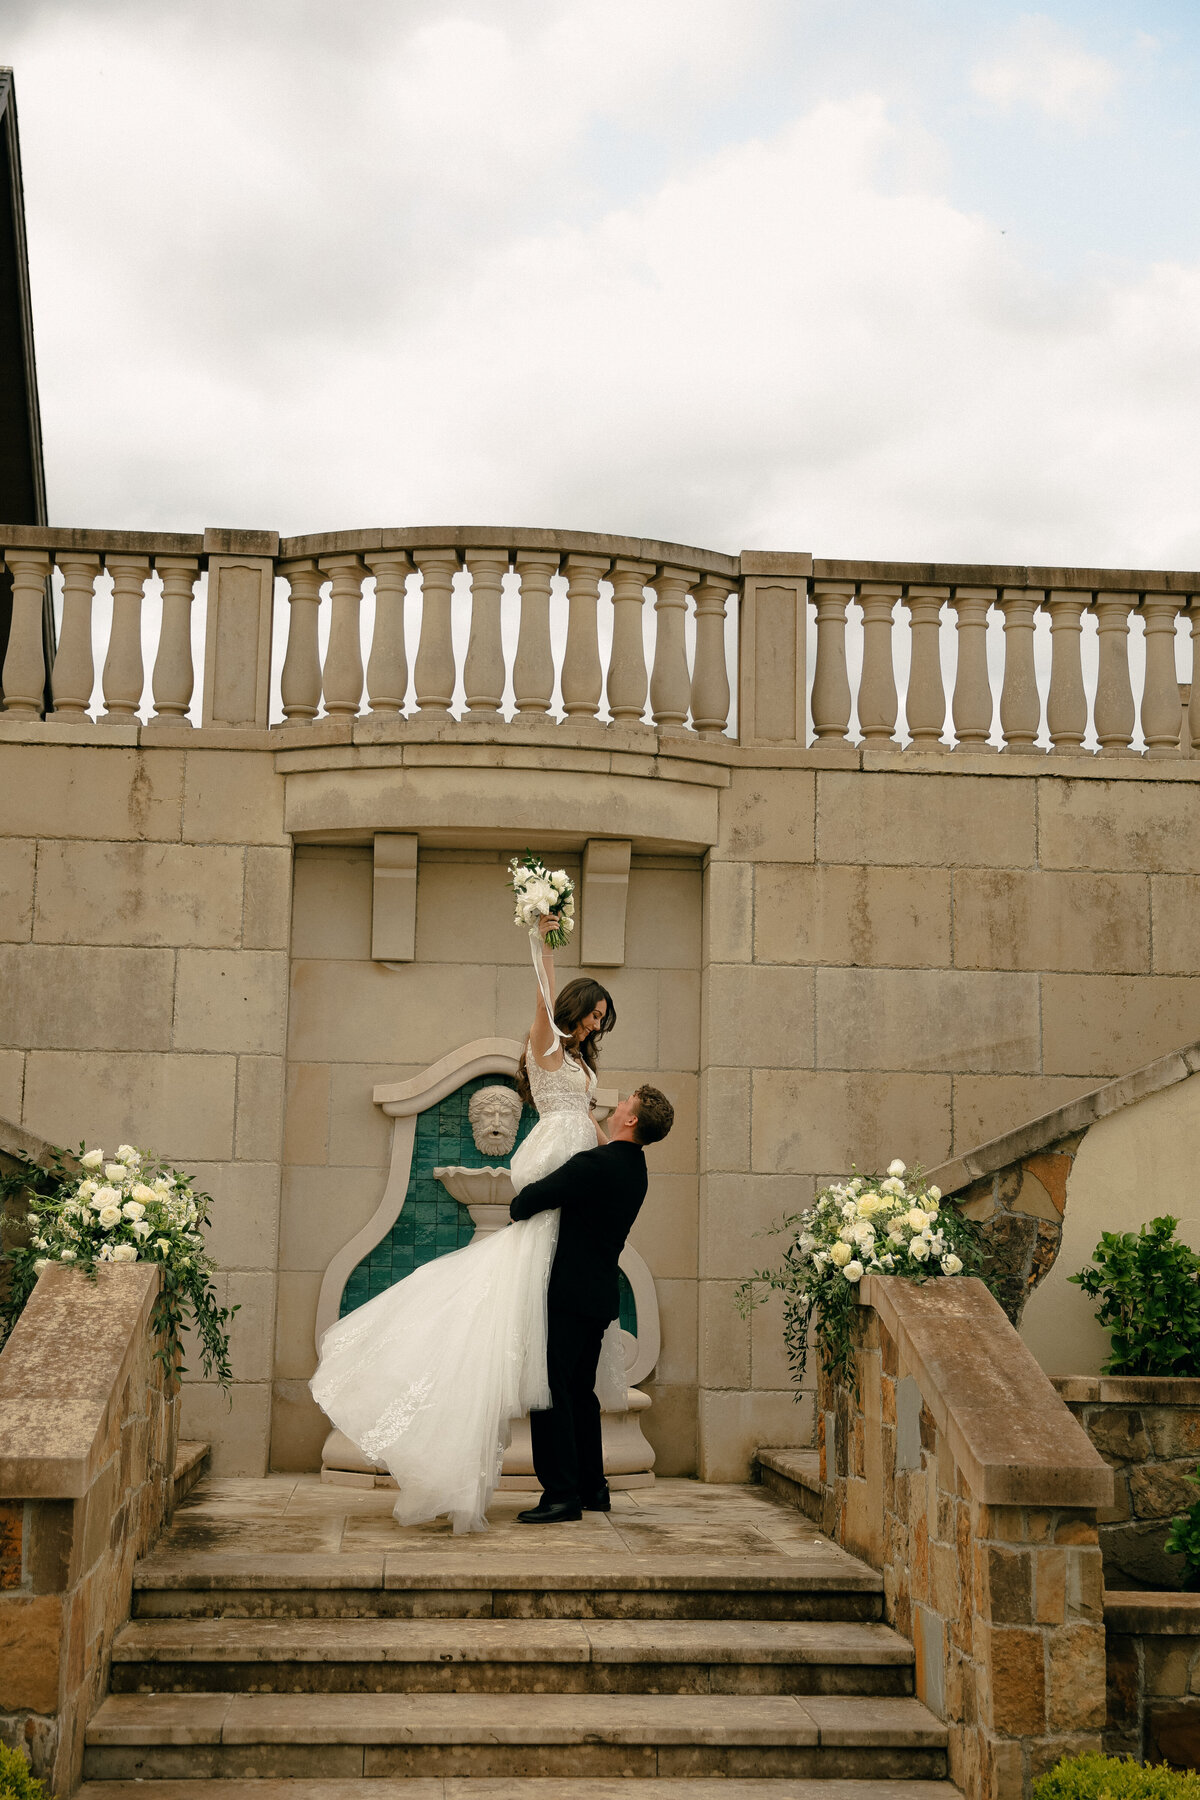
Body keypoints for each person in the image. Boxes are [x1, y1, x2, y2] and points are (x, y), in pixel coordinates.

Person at [309, 915, 622, 1534]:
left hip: (578, 1154)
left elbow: (590, 1115)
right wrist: (541, 934)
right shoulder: (546, 1046)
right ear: (574, 1008)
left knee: (554, 1322)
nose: (594, 1026)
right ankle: (568, 1482)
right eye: (591, 1014)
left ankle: (584, 1482)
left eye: (602, 1020)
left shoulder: (582, 1066)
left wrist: (609, 1150)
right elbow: (540, 990)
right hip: (554, 1158)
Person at [509, 1082, 675, 1523]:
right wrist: (584, 1120)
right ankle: (592, 1487)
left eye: (624, 1104)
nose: (617, 1106)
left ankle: (561, 1494)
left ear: (632, 1118)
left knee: (551, 1392)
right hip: (599, 1296)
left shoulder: (593, 1166)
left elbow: (527, 1202)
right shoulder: (633, 1167)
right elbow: (608, 1151)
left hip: (567, 1294)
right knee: (581, 1394)